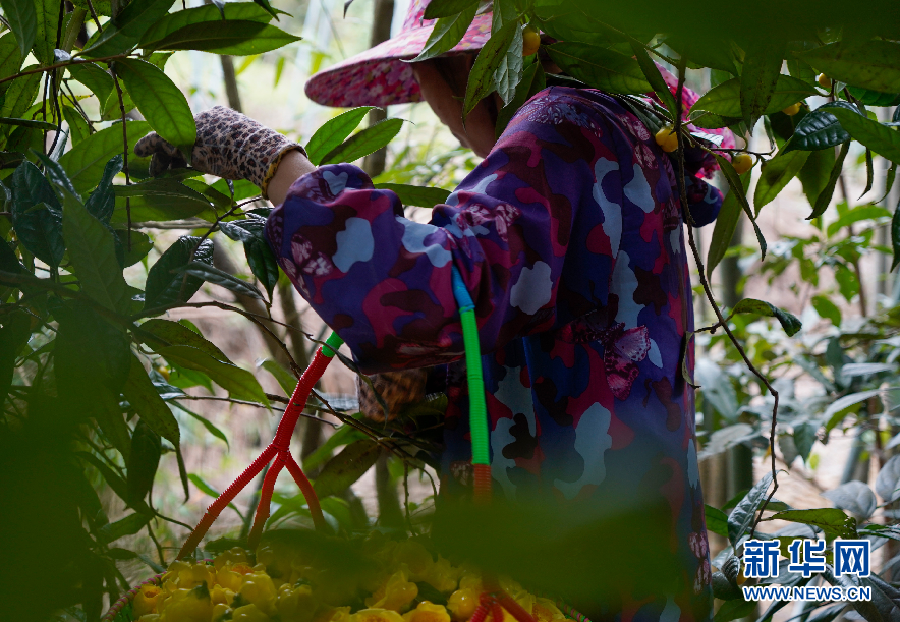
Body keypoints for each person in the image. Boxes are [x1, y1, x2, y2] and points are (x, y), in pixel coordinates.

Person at [134, 0, 735, 618]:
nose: (442, 116)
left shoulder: (561, 124)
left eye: (427, 84)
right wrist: (427, 385)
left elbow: (432, 292)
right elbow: (557, 335)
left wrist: (271, 163)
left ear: (471, 67)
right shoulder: (621, 135)